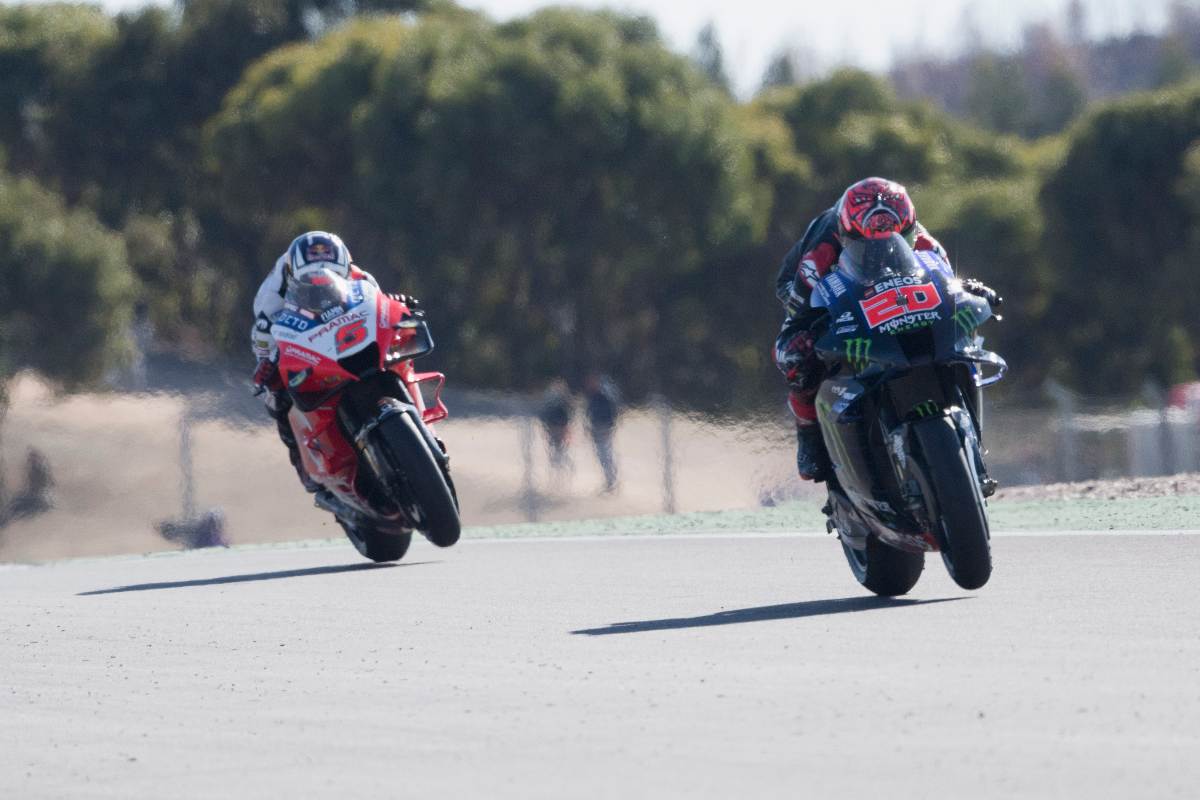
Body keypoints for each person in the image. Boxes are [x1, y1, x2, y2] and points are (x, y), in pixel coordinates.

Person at [773, 177, 997, 482]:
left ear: (909, 230)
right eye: (868, 243)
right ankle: (809, 433)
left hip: (897, 286)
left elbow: (948, 288)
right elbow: (796, 322)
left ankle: (968, 431)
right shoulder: (819, 256)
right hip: (813, 282)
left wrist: (972, 292)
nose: (881, 252)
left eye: (894, 238)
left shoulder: (925, 242)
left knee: (960, 325)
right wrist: (805, 335)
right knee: (796, 359)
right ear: (846, 235)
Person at [250, 231, 417, 494]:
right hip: (299, 341)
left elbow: (379, 305)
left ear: (345, 267)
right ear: (293, 273)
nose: (323, 279)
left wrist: (396, 304)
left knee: (396, 346)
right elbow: (261, 337)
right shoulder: (271, 297)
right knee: (276, 397)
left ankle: (418, 416)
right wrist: (267, 364)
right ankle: (301, 462)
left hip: (344, 333)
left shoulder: (359, 276)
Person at [583, 373, 621, 493]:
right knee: (602, 454)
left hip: (604, 427)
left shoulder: (603, 396)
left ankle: (611, 481)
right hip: (597, 427)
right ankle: (609, 480)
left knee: (605, 454)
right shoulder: (593, 396)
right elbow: (589, 412)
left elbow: (610, 412)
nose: (590, 384)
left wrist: (609, 426)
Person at [538, 379, 575, 478]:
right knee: (554, 449)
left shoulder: (564, 400)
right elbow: (545, 414)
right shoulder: (551, 400)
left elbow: (568, 414)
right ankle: (556, 469)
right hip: (553, 427)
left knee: (560, 449)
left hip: (560, 427)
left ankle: (562, 468)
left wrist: (566, 428)